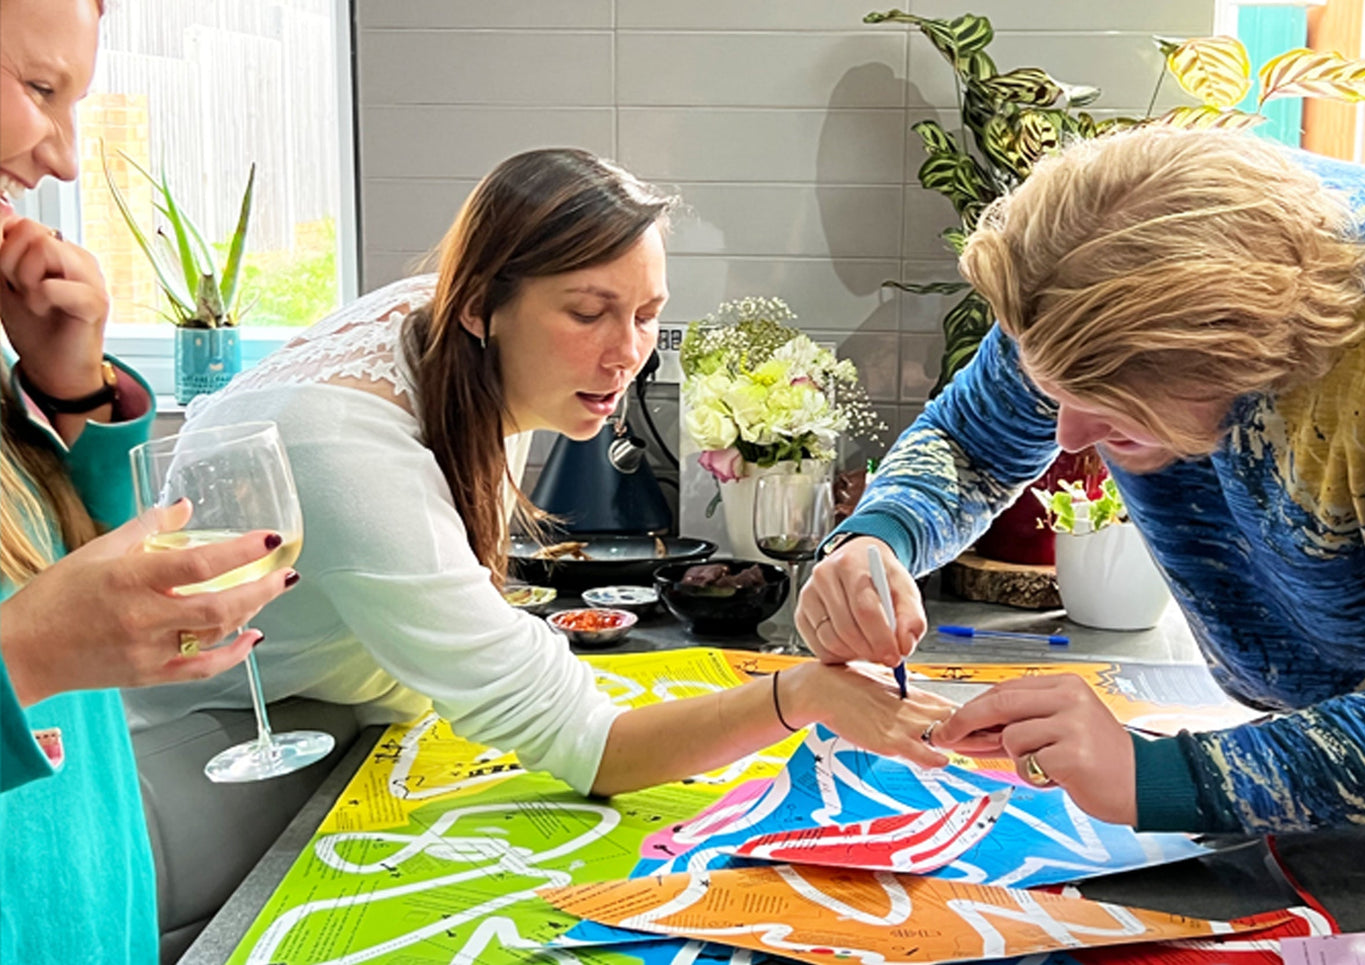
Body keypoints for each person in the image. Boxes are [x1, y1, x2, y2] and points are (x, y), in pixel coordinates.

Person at [124, 147, 958, 796]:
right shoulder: (345, 446)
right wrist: (799, 695)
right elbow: (591, 746)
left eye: (647, 315)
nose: (627, 353)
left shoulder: (448, 335)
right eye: (588, 313)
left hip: (348, 722)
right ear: (480, 305)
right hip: (211, 759)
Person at [799, 126, 1365, 835]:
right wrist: (880, 537)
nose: (1069, 435)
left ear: (1236, 352)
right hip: (1319, 729)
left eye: (1111, 406)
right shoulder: (1090, 265)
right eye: (1056, 393)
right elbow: (972, 443)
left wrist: (1154, 777)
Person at [0, 0, 296, 959]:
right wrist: (26, 654)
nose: (63, 160)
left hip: (90, 910)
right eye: (38, 87)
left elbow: (72, 574)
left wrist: (71, 392)